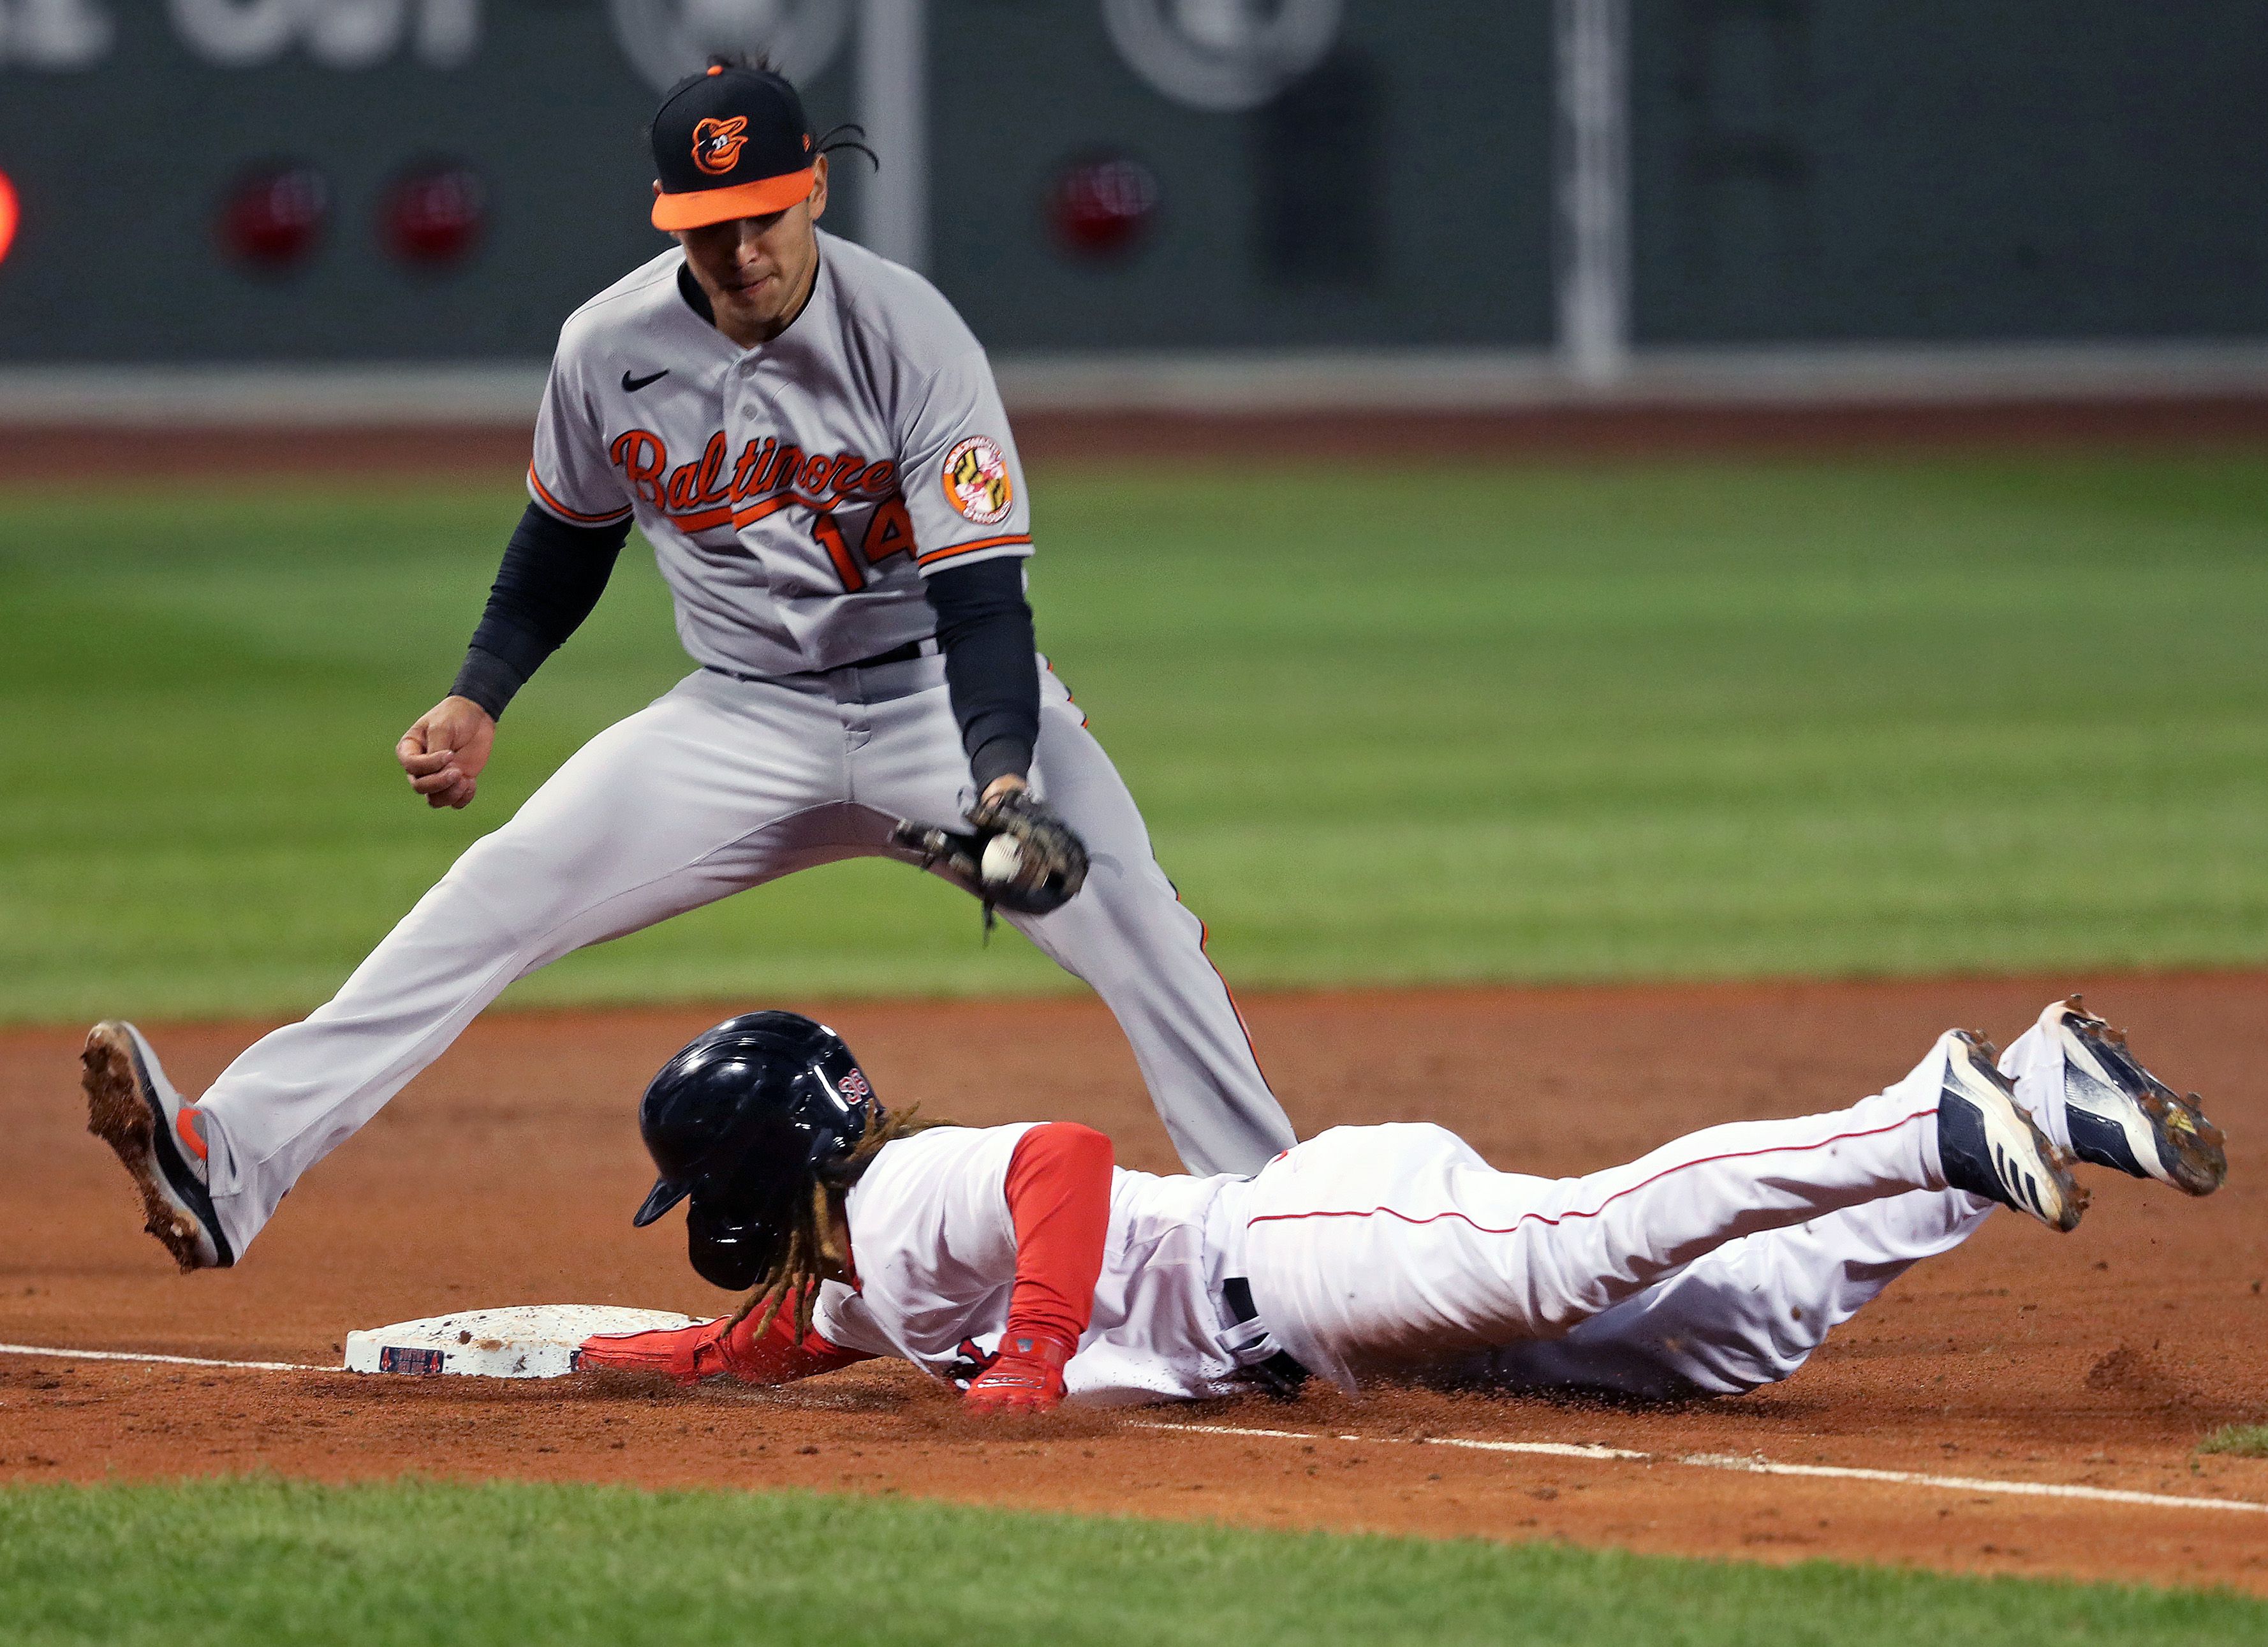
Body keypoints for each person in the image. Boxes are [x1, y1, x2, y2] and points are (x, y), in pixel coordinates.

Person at [79, 57, 1293, 1274]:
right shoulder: (608, 346)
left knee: (1146, 931)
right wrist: (479, 691)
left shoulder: (913, 339)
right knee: (496, 892)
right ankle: (228, 1160)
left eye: (763, 213)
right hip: (741, 720)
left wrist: (1000, 782)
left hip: (935, 696)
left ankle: (1281, 1239)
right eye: (709, 226)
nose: (741, 249)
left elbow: (982, 600)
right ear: (671, 218)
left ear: (814, 186)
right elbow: (563, 538)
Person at [577, 998, 2225, 1410]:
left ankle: (1922, 1110)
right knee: (1737, 1331)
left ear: (743, 1177)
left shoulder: (907, 1185)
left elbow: (1061, 1157)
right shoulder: (861, 1278)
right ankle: (2035, 1081)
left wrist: (1035, 1348)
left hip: (1307, 1254)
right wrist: (599, 1365)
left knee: (1581, 1238)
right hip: (1338, 1317)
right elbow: (753, 1354)